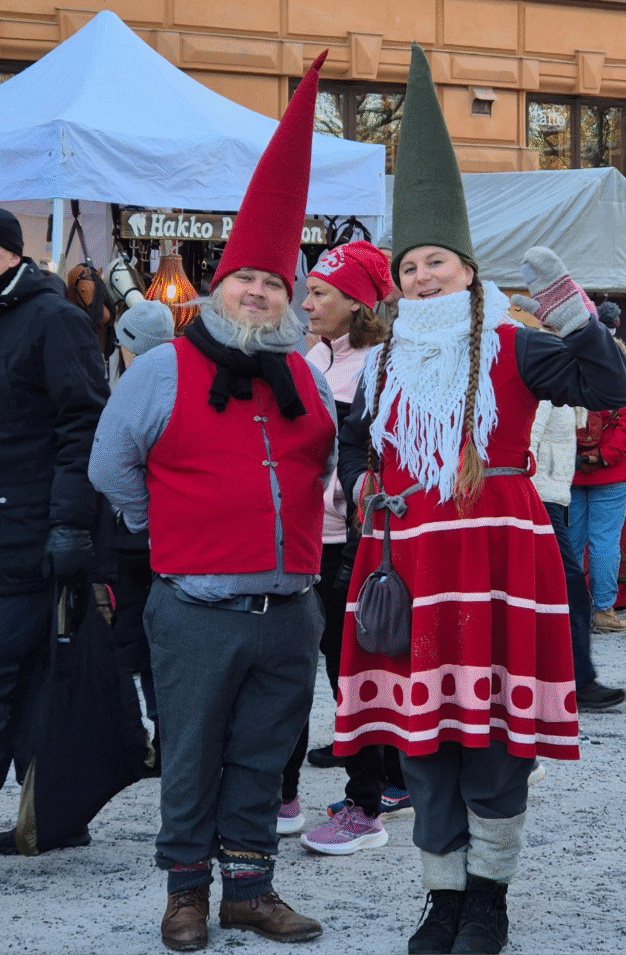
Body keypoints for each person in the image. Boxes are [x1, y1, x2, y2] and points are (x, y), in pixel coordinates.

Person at [332, 44, 626, 955]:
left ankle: (488, 900)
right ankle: (441, 898)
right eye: (409, 267)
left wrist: (571, 313)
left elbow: (609, 388)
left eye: (436, 261)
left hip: (497, 548)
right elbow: (358, 441)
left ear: (466, 268)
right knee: (423, 740)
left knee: (495, 741)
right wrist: (362, 479)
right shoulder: (380, 360)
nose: (422, 277)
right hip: (411, 558)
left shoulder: (511, 343)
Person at [89, 53, 337, 953]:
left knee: (265, 754)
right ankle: (186, 895)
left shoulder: (305, 375)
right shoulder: (164, 368)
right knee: (191, 753)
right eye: (246, 280)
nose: (259, 292)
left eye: (274, 283)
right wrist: (164, 530)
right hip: (195, 606)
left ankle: (251, 892)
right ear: (219, 288)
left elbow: (323, 465)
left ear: (287, 300)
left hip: (291, 607)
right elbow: (110, 468)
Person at [276, 241, 409, 847]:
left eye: (320, 293)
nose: (306, 303)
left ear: (357, 302)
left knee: (351, 676)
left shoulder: (382, 364)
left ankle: (366, 804)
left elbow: (376, 458)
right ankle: (284, 798)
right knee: (289, 673)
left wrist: (352, 508)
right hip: (302, 538)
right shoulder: (313, 354)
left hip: (351, 543)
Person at [0, 207, 109, 854]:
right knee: (31, 680)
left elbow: (84, 425)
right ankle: (52, 816)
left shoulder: (53, 319)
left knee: (18, 675)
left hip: (29, 532)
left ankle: (54, 815)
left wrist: (69, 521)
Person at [529, 389, 626, 711]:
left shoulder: (558, 393)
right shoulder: (546, 393)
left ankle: (566, 681)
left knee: (558, 591)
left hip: (550, 496)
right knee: (571, 592)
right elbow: (526, 446)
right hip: (540, 499)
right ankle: (579, 682)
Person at [110, 301, 175, 765]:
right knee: (164, 645)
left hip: (135, 537)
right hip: (171, 537)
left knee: (137, 642)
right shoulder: (183, 383)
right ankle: (166, 735)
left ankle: (151, 735)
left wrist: (136, 517)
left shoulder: (127, 390)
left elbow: (108, 469)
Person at [568, 301, 626, 635]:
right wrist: (603, 456)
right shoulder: (621, 365)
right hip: (611, 473)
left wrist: (578, 457)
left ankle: (571, 612)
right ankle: (603, 611)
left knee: (571, 542)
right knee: (604, 541)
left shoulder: (567, 365)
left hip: (571, 470)